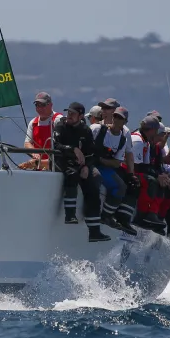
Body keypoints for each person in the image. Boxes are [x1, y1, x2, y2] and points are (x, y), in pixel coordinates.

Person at [53, 102, 110, 242]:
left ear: (80, 115)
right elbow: (56, 144)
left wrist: (86, 166)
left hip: (82, 164)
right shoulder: (60, 126)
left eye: (72, 113)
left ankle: (94, 231)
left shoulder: (85, 130)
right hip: (64, 162)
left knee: (94, 181)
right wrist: (72, 149)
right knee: (72, 175)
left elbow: (92, 153)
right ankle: (70, 215)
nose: (69, 116)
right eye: (68, 113)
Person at [130, 116, 170, 237]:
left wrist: (163, 176)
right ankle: (143, 216)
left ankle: (160, 219)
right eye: (161, 134)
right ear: (152, 131)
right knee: (153, 182)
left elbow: (157, 163)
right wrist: (158, 176)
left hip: (143, 171)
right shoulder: (138, 140)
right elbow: (138, 166)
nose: (162, 137)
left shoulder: (150, 143)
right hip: (131, 172)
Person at [89, 106, 139, 235]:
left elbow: (117, 162)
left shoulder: (123, 139)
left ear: (125, 122)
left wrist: (102, 160)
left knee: (121, 186)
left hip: (104, 166)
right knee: (95, 178)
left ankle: (106, 215)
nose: (116, 119)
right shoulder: (97, 129)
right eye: (115, 116)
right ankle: (89, 211)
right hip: (89, 163)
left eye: (120, 118)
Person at [20, 92, 62, 170]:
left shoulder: (58, 120)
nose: (39, 108)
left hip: (56, 166)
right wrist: (34, 152)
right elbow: (27, 143)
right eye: (37, 105)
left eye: (43, 105)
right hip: (39, 167)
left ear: (50, 105)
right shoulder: (33, 123)